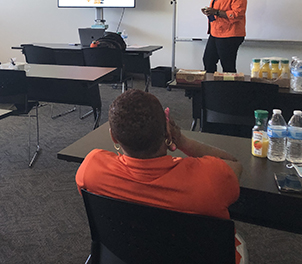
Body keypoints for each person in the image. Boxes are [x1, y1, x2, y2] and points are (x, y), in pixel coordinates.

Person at [76, 89, 246, 263]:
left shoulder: (91, 169)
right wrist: (182, 141)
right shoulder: (212, 179)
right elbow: (234, 164)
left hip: (128, 254)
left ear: (113, 136)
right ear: (166, 130)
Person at [201, 0, 247, 73]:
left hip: (230, 34)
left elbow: (237, 14)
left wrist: (216, 12)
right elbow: (218, 9)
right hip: (216, 32)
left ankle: (228, 84)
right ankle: (211, 83)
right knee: (208, 60)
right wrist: (209, 11)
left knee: (227, 65)